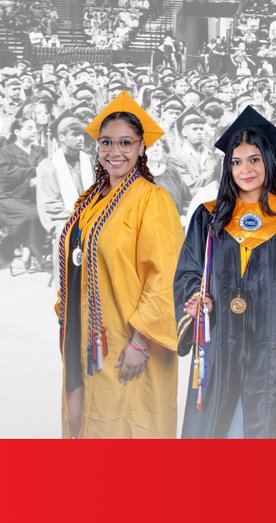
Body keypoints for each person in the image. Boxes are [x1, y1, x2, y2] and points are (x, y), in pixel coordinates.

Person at [174, 106, 276, 438]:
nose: (245, 169)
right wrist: (197, 300)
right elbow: (189, 271)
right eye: (236, 161)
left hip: (267, 341)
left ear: (269, 161)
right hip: (219, 337)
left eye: (254, 159)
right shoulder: (208, 217)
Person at [54, 91, 183, 438]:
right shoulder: (90, 199)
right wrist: (65, 315)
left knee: (125, 423)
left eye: (126, 142)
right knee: (79, 419)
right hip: (84, 332)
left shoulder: (152, 201)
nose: (115, 152)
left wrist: (141, 342)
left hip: (127, 337)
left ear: (142, 147)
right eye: (106, 142)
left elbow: (164, 276)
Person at [34, 110, 93, 273]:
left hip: (91, 215)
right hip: (63, 219)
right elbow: (50, 205)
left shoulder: (89, 161)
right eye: (75, 134)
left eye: (81, 134)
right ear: (61, 138)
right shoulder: (48, 166)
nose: (80, 138)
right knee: (70, 236)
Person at [0, 116, 47, 270]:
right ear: (17, 132)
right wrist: (33, 174)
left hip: (34, 197)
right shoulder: (5, 152)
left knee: (42, 213)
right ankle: (33, 251)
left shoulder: (40, 150)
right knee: (33, 215)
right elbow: (7, 174)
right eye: (29, 128)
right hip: (9, 197)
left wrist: (40, 178)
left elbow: (46, 169)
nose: (34, 131)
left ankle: (27, 249)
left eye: (35, 128)